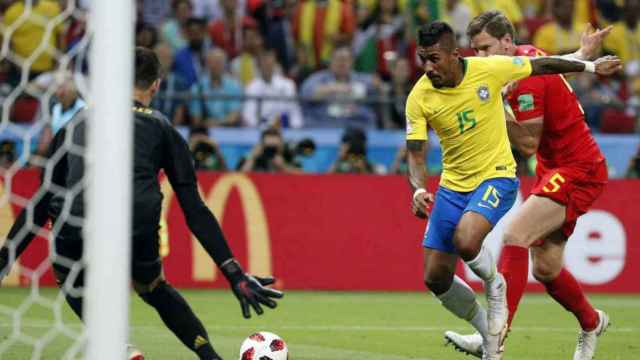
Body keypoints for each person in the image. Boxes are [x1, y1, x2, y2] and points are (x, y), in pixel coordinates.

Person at [0, 47, 283, 360]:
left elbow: (42, 199)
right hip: (137, 223)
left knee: (68, 273)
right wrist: (234, 274)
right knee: (153, 287)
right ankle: (211, 358)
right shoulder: (164, 129)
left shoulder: (77, 122)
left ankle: (119, 348)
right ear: (156, 86)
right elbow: (195, 210)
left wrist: (6, 255)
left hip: (79, 223)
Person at [405, 21, 620, 360]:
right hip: (554, 169)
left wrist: (492, 103)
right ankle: (592, 322)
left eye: (487, 48)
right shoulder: (513, 64)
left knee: (515, 235)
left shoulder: (515, 81)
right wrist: (583, 56)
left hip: (577, 168)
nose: (480, 57)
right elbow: (548, 63)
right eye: (476, 49)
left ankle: (496, 337)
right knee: (546, 269)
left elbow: (529, 141)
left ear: (507, 42)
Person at [237, 127, 302, 173]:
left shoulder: (289, 156)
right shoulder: (252, 156)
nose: (271, 151)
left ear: (281, 144)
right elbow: (238, 179)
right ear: (262, 144)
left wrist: (283, 166)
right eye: (268, 147)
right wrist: (252, 158)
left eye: (274, 147)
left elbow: (303, 178)